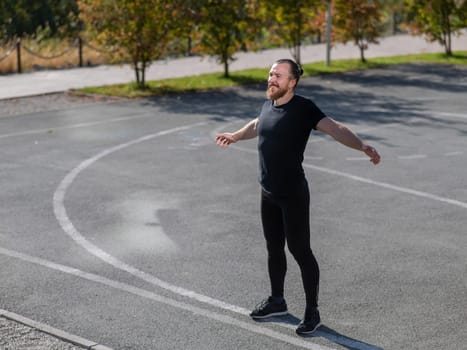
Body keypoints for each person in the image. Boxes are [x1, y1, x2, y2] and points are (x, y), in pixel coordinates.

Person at [215, 58, 381, 336]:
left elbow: (335, 128)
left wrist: (362, 145)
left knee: (300, 251)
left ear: (292, 82)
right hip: (267, 192)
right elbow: (257, 125)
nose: (272, 79)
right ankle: (277, 301)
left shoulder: (304, 108)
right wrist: (235, 135)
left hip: (292, 194)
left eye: (278, 76)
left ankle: (312, 311)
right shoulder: (269, 104)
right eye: (270, 74)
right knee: (273, 247)